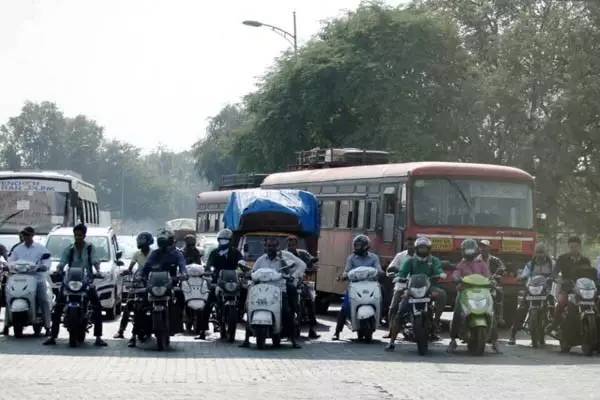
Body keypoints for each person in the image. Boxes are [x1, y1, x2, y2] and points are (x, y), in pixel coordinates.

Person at [44, 224, 107, 346]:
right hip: (70, 280)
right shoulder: (70, 249)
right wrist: (58, 269)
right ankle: (52, 336)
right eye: (76, 235)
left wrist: (98, 271)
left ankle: (98, 337)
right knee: (57, 307)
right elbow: (63, 261)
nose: (78, 237)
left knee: (97, 306)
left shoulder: (90, 248)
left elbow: (95, 260)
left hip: (86, 280)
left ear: (84, 235)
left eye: (80, 235)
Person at [240, 237, 305, 349]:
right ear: (265, 247)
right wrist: (248, 274)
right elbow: (253, 272)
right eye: (269, 246)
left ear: (277, 247)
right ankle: (246, 339)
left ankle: (293, 340)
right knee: (248, 308)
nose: (271, 248)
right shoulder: (261, 260)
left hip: (278, 290)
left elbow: (288, 271)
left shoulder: (283, 258)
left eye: (273, 246)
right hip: (261, 290)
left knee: (286, 311)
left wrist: (289, 272)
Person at [385, 236, 446, 351]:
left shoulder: (434, 261)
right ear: (416, 248)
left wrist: (441, 274)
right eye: (420, 248)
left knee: (442, 294)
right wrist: (398, 277)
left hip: (429, 288)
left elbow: (438, 270)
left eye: (425, 248)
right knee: (400, 311)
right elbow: (403, 272)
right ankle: (392, 341)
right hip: (411, 289)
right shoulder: (410, 261)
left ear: (429, 249)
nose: (422, 251)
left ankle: (437, 319)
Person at [447, 238, 498, 353]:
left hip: (482, 292)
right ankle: (453, 340)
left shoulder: (482, 264)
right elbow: (456, 273)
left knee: (492, 313)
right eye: (467, 250)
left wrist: (492, 281)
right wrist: (456, 278)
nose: (469, 253)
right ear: (463, 251)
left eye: (471, 250)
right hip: (465, 292)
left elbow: (488, 276)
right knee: (457, 312)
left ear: (475, 250)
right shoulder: (461, 264)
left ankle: (495, 341)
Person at [332, 234, 383, 341]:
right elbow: (347, 270)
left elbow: (378, 269)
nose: (356, 247)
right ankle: (337, 332)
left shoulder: (374, 257)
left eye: (359, 245)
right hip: (355, 286)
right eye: (355, 245)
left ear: (365, 246)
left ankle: (383, 317)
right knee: (344, 307)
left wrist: (381, 272)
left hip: (371, 285)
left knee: (383, 299)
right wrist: (343, 276)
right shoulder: (351, 258)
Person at [138, 229, 188, 335]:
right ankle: (138, 330)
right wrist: (140, 275)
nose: (164, 245)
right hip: (154, 286)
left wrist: (183, 274)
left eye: (166, 242)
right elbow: (146, 267)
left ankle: (180, 321)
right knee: (141, 305)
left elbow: (182, 265)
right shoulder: (155, 254)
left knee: (180, 296)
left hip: (170, 285)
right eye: (162, 243)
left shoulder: (177, 254)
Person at [5, 227, 52, 334]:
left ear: (32, 235)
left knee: (44, 299)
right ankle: (6, 325)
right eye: (24, 235)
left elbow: (47, 260)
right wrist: (9, 266)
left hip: (37, 278)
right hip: (18, 278)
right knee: (8, 297)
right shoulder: (17, 249)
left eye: (28, 235)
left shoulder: (41, 249)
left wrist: (44, 266)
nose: (26, 237)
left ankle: (47, 325)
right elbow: (10, 260)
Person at [548, 236, 594, 339]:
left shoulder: (585, 260)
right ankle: (555, 324)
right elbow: (555, 272)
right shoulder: (562, 258)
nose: (574, 249)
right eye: (572, 247)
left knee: (595, 302)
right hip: (566, 288)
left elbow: (591, 274)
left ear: (580, 247)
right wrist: (558, 279)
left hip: (582, 290)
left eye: (576, 246)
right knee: (561, 303)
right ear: (568, 247)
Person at [508, 242, 554, 345]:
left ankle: (552, 326)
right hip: (532, 291)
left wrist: (555, 277)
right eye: (538, 252)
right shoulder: (530, 264)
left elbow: (556, 273)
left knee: (553, 306)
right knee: (522, 309)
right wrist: (521, 277)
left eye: (542, 252)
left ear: (545, 253)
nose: (540, 255)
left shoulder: (551, 264)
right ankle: (513, 334)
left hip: (545, 291)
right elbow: (525, 274)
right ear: (535, 253)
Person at [114, 232, 154, 346]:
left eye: (144, 242)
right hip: (139, 282)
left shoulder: (154, 254)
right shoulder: (136, 254)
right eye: (140, 241)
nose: (142, 244)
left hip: (152, 283)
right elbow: (130, 268)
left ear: (149, 242)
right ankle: (121, 331)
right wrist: (126, 271)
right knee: (129, 305)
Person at [203, 228, 243, 340]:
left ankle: (243, 313)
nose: (223, 242)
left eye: (226, 240)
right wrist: (208, 270)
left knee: (245, 292)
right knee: (208, 303)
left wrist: (243, 269)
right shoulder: (214, 253)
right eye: (222, 240)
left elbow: (241, 263)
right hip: (218, 281)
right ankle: (202, 329)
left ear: (230, 241)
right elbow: (208, 265)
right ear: (218, 240)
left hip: (233, 281)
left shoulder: (236, 252)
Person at [286, 235, 320, 339]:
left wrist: (311, 267)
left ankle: (312, 329)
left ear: (296, 244)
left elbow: (311, 263)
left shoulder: (303, 254)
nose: (291, 246)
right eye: (289, 244)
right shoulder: (283, 255)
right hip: (287, 283)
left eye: (293, 244)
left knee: (310, 299)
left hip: (300, 283)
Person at [384, 237, 416, 339]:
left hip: (417, 288)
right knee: (393, 308)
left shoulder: (422, 257)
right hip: (401, 286)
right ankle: (391, 331)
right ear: (406, 244)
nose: (411, 246)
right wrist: (391, 273)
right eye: (409, 244)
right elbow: (390, 268)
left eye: (413, 244)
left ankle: (432, 329)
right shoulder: (400, 256)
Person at [477, 239, 506, 326]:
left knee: (499, 291)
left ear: (489, 248)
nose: (483, 249)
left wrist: (497, 274)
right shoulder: (475, 260)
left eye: (485, 247)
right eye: (481, 247)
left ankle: (498, 316)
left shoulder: (494, 260)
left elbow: (502, 267)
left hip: (491, 282)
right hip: (478, 283)